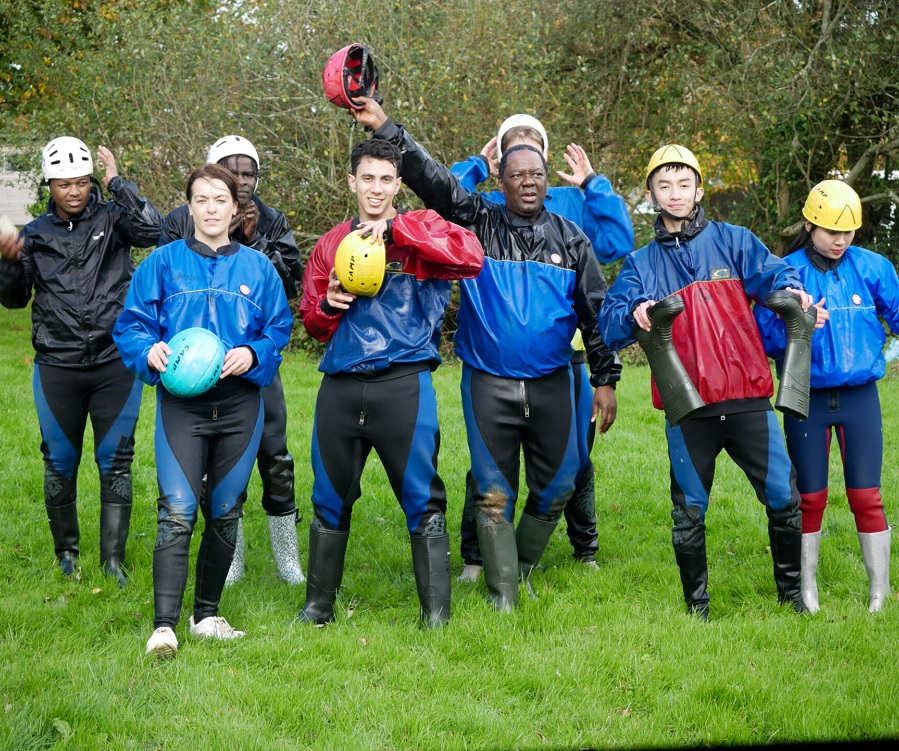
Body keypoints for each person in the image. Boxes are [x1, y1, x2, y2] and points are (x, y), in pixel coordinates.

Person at [352, 98, 620, 612]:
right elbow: (432, 180)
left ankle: (517, 569)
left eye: (536, 174)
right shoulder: (475, 222)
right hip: (487, 383)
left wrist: (604, 379)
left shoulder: (573, 238)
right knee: (494, 493)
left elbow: (596, 313)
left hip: (551, 382)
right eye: (516, 174)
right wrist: (385, 127)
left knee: (562, 480)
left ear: (547, 178)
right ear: (501, 180)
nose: (528, 182)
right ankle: (505, 598)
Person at [598, 144, 821, 619]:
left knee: (784, 497)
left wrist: (796, 296)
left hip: (747, 397)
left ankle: (790, 597)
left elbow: (776, 276)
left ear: (699, 189)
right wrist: (633, 314)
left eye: (683, 184)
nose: (675, 194)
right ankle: (696, 608)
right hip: (688, 407)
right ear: (651, 195)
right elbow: (609, 321)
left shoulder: (735, 240)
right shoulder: (640, 264)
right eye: (664, 186)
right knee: (690, 509)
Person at [297, 138, 483, 628]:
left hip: (403, 384)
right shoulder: (331, 243)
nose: (376, 189)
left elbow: (470, 258)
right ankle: (318, 610)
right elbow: (311, 323)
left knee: (422, 497)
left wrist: (400, 230)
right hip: (340, 386)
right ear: (352, 181)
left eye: (386, 179)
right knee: (328, 495)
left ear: (398, 184)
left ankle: (436, 615)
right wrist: (327, 306)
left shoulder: (421, 229)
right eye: (367, 178)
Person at [113, 163, 292, 658]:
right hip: (182, 409)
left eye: (221, 200)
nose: (211, 209)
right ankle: (164, 627)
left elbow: (279, 329)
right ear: (188, 206)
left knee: (226, 510)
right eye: (201, 200)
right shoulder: (162, 263)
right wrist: (146, 351)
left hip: (240, 406)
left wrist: (255, 353)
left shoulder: (258, 268)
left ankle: (207, 615)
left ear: (236, 208)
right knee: (176, 511)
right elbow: (130, 326)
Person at [450, 114, 634, 581]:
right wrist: (476, 164)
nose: (525, 166)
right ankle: (481, 558)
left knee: (572, 461)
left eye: (533, 149)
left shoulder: (572, 203)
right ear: (502, 164)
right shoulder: (489, 206)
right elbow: (443, 200)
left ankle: (580, 547)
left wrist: (595, 184)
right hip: (495, 364)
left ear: (545, 159)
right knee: (491, 467)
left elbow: (616, 241)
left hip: (564, 358)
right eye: (513, 150)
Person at [0, 137, 163, 586]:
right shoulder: (33, 234)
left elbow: (157, 231)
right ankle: (67, 556)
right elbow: (14, 300)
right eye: (63, 185)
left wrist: (117, 183)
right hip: (57, 365)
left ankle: (113, 560)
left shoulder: (113, 219)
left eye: (81, 183)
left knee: (116, 460)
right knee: (59, 462)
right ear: (48, 184)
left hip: (115, 362)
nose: (73, 192)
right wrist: (10, 261)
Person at [158, 135, 305, 586]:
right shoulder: (182, 220)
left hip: (254, 366)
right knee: (212, 466)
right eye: (231, 170)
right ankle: (231, 558)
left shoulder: (272, 219)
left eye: (249, 172)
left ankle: (287, 558)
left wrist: (254, 238)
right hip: (196, 368)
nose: (242, 181)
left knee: (275, 458)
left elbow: (290, 286)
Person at [754, 179, 896, 613]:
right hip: (806, 397)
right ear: (810, 223)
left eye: (848, 232)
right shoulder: (786, 271)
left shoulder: (873, 267)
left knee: (866, 494)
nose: (840, 240)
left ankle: (879, 591)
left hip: (860, 399)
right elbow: (764, 336)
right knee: (810, 495)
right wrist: (798, 323)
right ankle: (807, 589)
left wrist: (885, 353)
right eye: (831, 231)